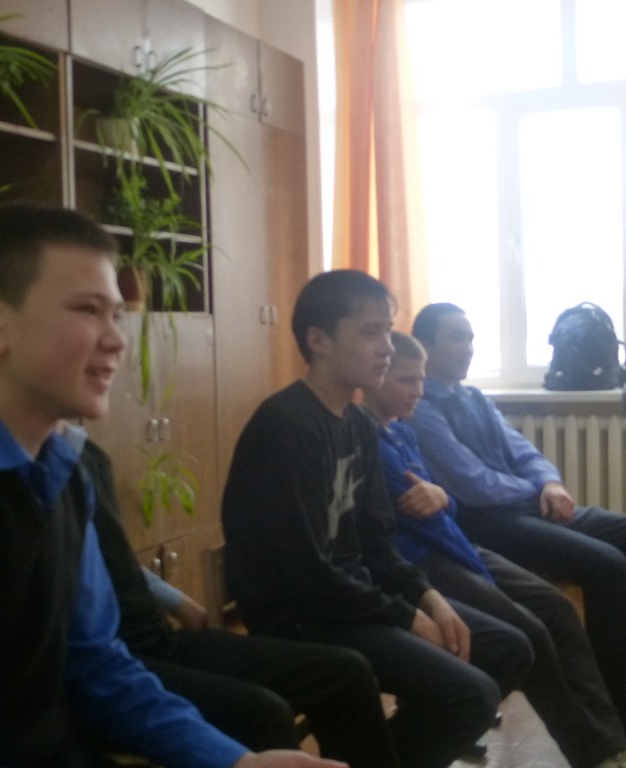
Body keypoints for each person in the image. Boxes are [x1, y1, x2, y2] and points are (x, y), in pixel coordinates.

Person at [0, 202, 343, 768]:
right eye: (88, 310)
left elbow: (99, 666)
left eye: (117, 315)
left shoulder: (65, 475)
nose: (117, 340)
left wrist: (235, 761)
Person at [221, 269, 533, 768]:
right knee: (470, 695)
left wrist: (428, 598)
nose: (387, 347)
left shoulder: (359, 424)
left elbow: (377, 543)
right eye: (370, 333)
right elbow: (307, 573)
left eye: (388, 331)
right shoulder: (286, 427)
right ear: (318, 341)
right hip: (302, 615)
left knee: (509, 647)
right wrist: (406, 617)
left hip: (352, 597)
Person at [409, 302, 626, 766]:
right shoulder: (421, 408)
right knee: (605, 565)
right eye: (456, 338)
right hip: (490, 523)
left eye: (471, 337)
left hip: (532, 505)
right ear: (425, 346)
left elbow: (523, 451)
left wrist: (551, 483)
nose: (468, 348)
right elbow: (472, 485)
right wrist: (535, 489)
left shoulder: (474, 397)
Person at [362, 331, 626, 768]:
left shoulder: (403, 430)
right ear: (376, 377)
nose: (418, 391)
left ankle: (616, 744)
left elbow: (446, 503)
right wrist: (450, 502)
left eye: (420, 380)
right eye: (406, 380)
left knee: (558, 609)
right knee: (531, 632)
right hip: (428, 557)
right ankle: (594, 753)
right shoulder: (369, 438)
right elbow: (415, 520)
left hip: (458, 544)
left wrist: (444, 497)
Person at [84, 437, 401, 766]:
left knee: (346, 672)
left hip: (159, 638)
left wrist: (175, 599)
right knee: (264, 714)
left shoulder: (84, 457)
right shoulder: (54, 477)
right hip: (115, 657)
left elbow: (106, 556)